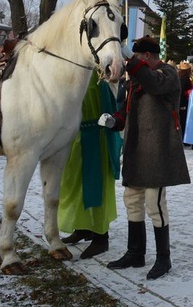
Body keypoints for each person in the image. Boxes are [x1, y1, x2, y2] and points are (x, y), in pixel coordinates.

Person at [101, 36, 190, 280]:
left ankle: (164, 258)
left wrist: (130, 60)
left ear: (147, 56)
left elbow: (153, 84)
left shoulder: (167, 73)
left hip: (158, 150)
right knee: (132, 199)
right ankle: (135, 252)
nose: (134, 62)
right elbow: (128, 109)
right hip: (136, 148)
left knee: (155, 204)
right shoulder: (138, 77)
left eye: (138, 57)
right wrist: (115, 120)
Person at [58, 76, 123, 259]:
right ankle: (83, 228)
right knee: (75, 184)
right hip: (75, 136)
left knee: (96, 188)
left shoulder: (101, 77)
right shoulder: (72, 71)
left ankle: (101, 237)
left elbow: (111, 106)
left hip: (96, 138)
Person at [177, 62, 192, 141]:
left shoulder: (179, 78)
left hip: (180, 102)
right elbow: (182, 92)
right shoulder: (185, 79)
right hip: (183, 102)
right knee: (183, 120)